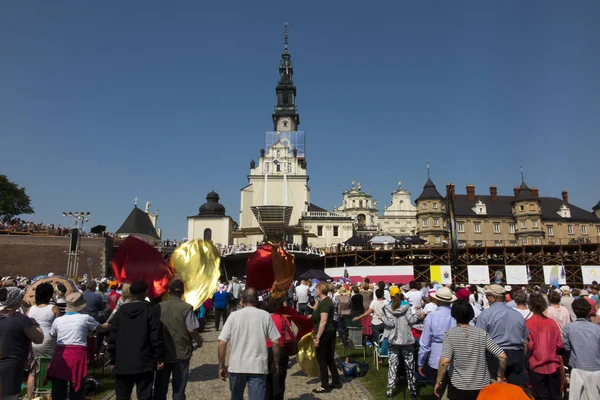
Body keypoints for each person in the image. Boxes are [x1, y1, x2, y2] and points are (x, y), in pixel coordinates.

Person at [436, 300, 507, 400]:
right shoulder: (482, 333)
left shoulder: (450, 334)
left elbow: (445, 361)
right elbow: (502, 356)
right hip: (482, 385)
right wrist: (500, 374)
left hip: (458, 385)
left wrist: (438, 381)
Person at [218, 288, 281, 400]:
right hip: (258, 366)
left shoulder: (233, 316)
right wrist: (275, 363)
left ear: (241, 300)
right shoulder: (265, 315)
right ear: (257, 300)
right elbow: (276, 342)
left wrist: (221, 366)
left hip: (237, 366)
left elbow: (222, 343)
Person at [47, 292, 109, 400]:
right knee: (76, 388)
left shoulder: (58, 320)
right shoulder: (85, 318)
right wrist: (108, 324)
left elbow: (52, 334)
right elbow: (101, 328)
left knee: (58, 388)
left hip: (60, 354)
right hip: (76, 354)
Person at [108, 281, 164, 400]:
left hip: (123, 360)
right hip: (144, 360)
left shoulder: (120, 312)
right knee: (144, 395)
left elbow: (112, 337)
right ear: (145, 293)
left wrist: (112, 358)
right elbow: (156, 336)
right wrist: (159, 356)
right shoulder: (150, 311)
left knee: (122, 396)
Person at [155, 280, 202, 400]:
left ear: (169, 291)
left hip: (163, 352)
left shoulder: (158, 307)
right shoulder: (186, 308)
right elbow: (191, 330)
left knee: (160, 387)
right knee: (179, 388)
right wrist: (198, 340)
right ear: (182, 292)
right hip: (181, 351)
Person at [476, 284, 528, 387]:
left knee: (495, 390)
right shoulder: (517, 315)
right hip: (516, 354)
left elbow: (479, 340)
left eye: (487, 296)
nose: (486, 299)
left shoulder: (486, 314)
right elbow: (525, 341)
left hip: (495, 355)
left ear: (493, 297)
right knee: (515, 391)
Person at [0, 287, 44, 400]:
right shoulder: (22, 320)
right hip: (12, 365)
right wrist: (36, 325)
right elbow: (38, 339)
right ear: (18, 301)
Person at [417, 286, 456, 399]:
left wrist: (420, 362)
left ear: (437, 300)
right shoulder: (455, 315)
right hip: (454, 356)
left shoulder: (432, 316)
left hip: (437, 358)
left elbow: (425, 342)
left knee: (438, 390)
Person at [382, 285, 419, 399]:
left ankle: (389, 389)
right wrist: (417, 314)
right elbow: (411, 320)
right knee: (410, 365)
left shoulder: (387, 307)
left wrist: (382, 318)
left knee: (393, 365)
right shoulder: (407, 306)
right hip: (406, 340)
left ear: (391, 296)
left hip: (393, 340)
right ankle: (412, 389)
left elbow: (390, 324)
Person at [525, 293, 563, 400]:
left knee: (541, 396)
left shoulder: (528, 323)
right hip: (553, 365)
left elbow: (530, 346)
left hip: (536, 366)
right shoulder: (552, 323)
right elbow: (559, 344)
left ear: (530, 306)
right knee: (555, 396)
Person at [27, 282, 60, 398]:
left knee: (33, 370)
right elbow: (57, 327)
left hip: (33, 340)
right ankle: (47, 394)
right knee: (48, 366)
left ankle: (30, 395)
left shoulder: (30, 309)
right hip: (47, 339)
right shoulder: (54, 308)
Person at [562, 298, 600, 398]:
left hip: (577, 368)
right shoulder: (597, 329)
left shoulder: (569, 327)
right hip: (595, 368)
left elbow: (567, 348)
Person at [311, 282, 341, 393]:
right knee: (329, 358)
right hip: (329, 331)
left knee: (322, 359)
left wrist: (317, 337)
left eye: (316, 289)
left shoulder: (325, 303)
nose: (315, 291)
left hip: (325, 333)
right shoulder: (323, 301)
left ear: (320, 290)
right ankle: (336, 381)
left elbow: (323, 321)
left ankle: (324, 385)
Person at [262, 295, 292, 400]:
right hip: (280, 348)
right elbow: (290, 332)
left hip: (264, 349)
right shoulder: (282, 317)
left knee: (266, 381)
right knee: (279, 382)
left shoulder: (262, 317)